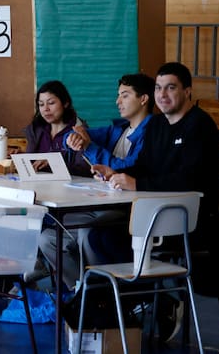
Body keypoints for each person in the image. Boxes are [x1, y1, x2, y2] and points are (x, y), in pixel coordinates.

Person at [100, 62, 219, 340]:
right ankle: (147, 304)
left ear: (187, 91)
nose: (162, 94)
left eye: (170, 88)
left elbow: (188, 180)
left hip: (196, 225)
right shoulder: (158, 124)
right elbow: (146, 166)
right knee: (98, 235)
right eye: (159, 88)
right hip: (157, 217)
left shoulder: (200, 125)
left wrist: (137, 184)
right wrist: (118, 173)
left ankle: (156, 304)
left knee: (112, 238)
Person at [39, 73, 156, 291]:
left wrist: (89, 147)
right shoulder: (118, 128)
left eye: (125, 95)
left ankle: (112, 295)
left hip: (128, 209)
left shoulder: (153, 132)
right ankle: (83, 293)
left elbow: (127, 167)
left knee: (85, 232)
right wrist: (76, 136)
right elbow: (75, 136)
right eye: (118, 95)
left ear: (143, 99)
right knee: (48, 238)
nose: (117, 101)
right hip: (103, 203)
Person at [24, 80, 90, 177]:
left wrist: (54, 164)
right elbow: (29, 163)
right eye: (41, 104)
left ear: (65, 103)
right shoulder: (36, 130)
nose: (46, 109)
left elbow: (84, 170)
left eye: (51, 103)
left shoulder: (78, 131)